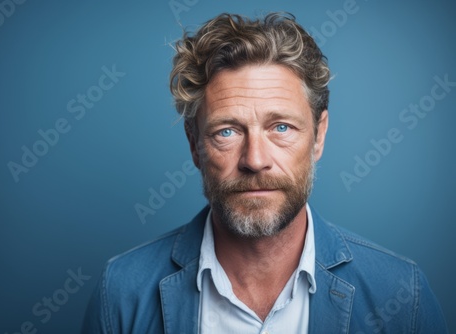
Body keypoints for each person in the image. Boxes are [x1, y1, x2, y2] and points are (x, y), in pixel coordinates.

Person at [82, 12, 447, 333]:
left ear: (319, 136)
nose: (255, 160)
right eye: (227, 131)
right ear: (194, 144)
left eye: (281, 127)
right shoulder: (121, 292)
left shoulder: (402, 293)